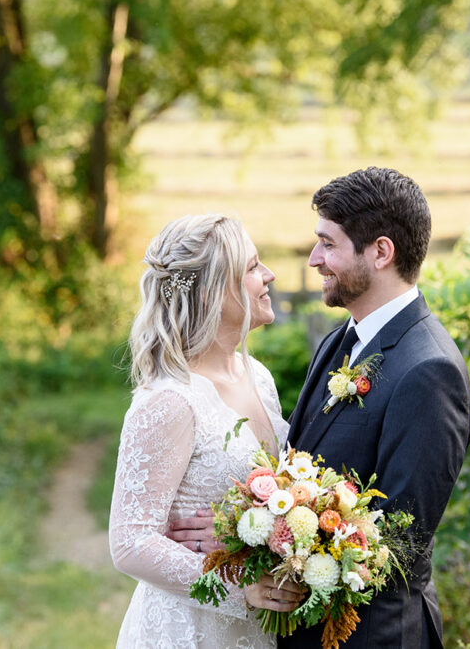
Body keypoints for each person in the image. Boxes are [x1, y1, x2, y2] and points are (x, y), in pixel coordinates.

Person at [169, 168, 470, 648]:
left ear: (380, 252)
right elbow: (300, 471)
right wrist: (240, 527)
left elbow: (394, 548)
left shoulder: (429, 373)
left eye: (328, 244)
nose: (314, 260)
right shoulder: (339, 342)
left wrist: (254, 540)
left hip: (375, 636)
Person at [109, 214, 304, 648]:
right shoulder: (170, 401)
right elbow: (129, 541)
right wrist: (239, 586)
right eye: (252, 267)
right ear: (215, 292)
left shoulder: (259, 376)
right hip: (191, 629)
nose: (268, 275)